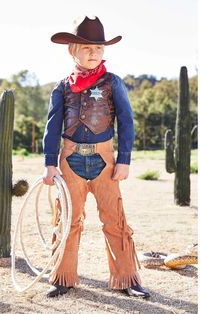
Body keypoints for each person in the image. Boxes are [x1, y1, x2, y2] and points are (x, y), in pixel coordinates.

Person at [42, 15, 150, 299]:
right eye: (87, 48)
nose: (94, 53)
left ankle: (126, 278)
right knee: (67, 220)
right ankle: (62, 277)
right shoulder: (63, 86)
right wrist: (49, 163)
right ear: (72, 50)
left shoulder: (113, 83)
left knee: (114, 219)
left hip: (104, 162)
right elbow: (53, 126)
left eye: (99, 48)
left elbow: (127, 121)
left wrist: (124, 159)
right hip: (70, 161)